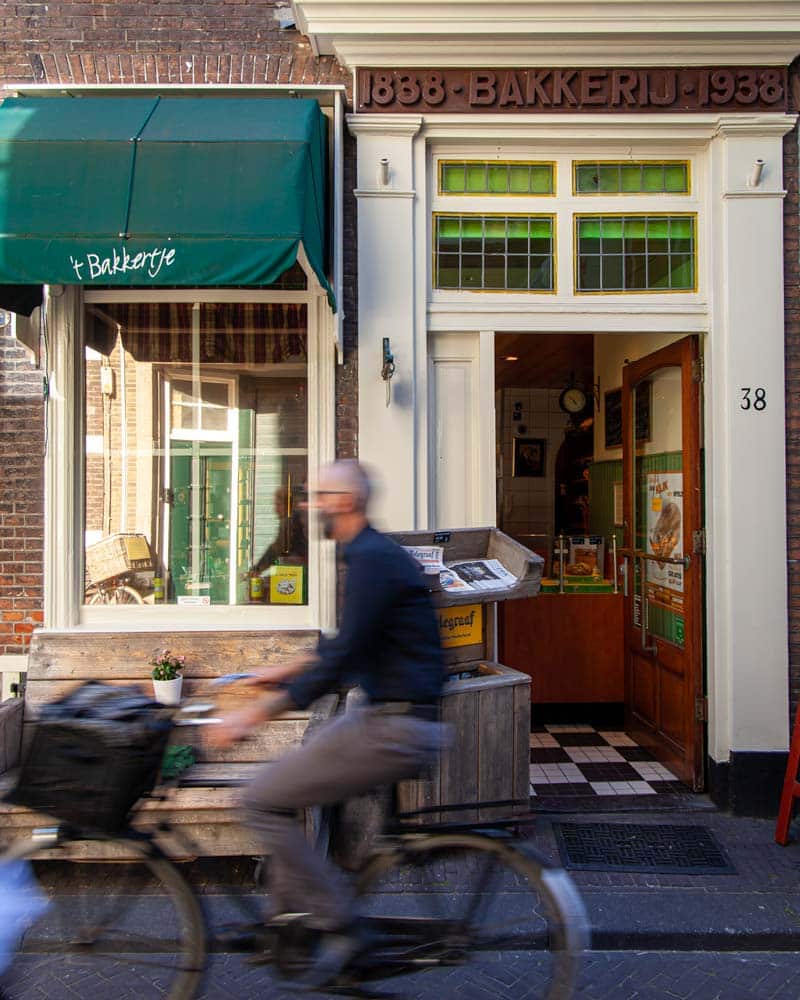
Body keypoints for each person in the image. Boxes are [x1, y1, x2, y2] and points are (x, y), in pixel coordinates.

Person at [212, 460, 445, 988]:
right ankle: (285, 926)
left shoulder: (368, 560)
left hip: (393, 726)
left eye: (317, 495)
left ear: (344, 501)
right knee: (286, 784)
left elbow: (341, 663)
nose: (306, 504)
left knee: (258, 798)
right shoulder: (367, 554)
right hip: (388, 716)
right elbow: (350, 643)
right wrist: (285, 669)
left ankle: (338, 923)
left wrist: (253, 714)